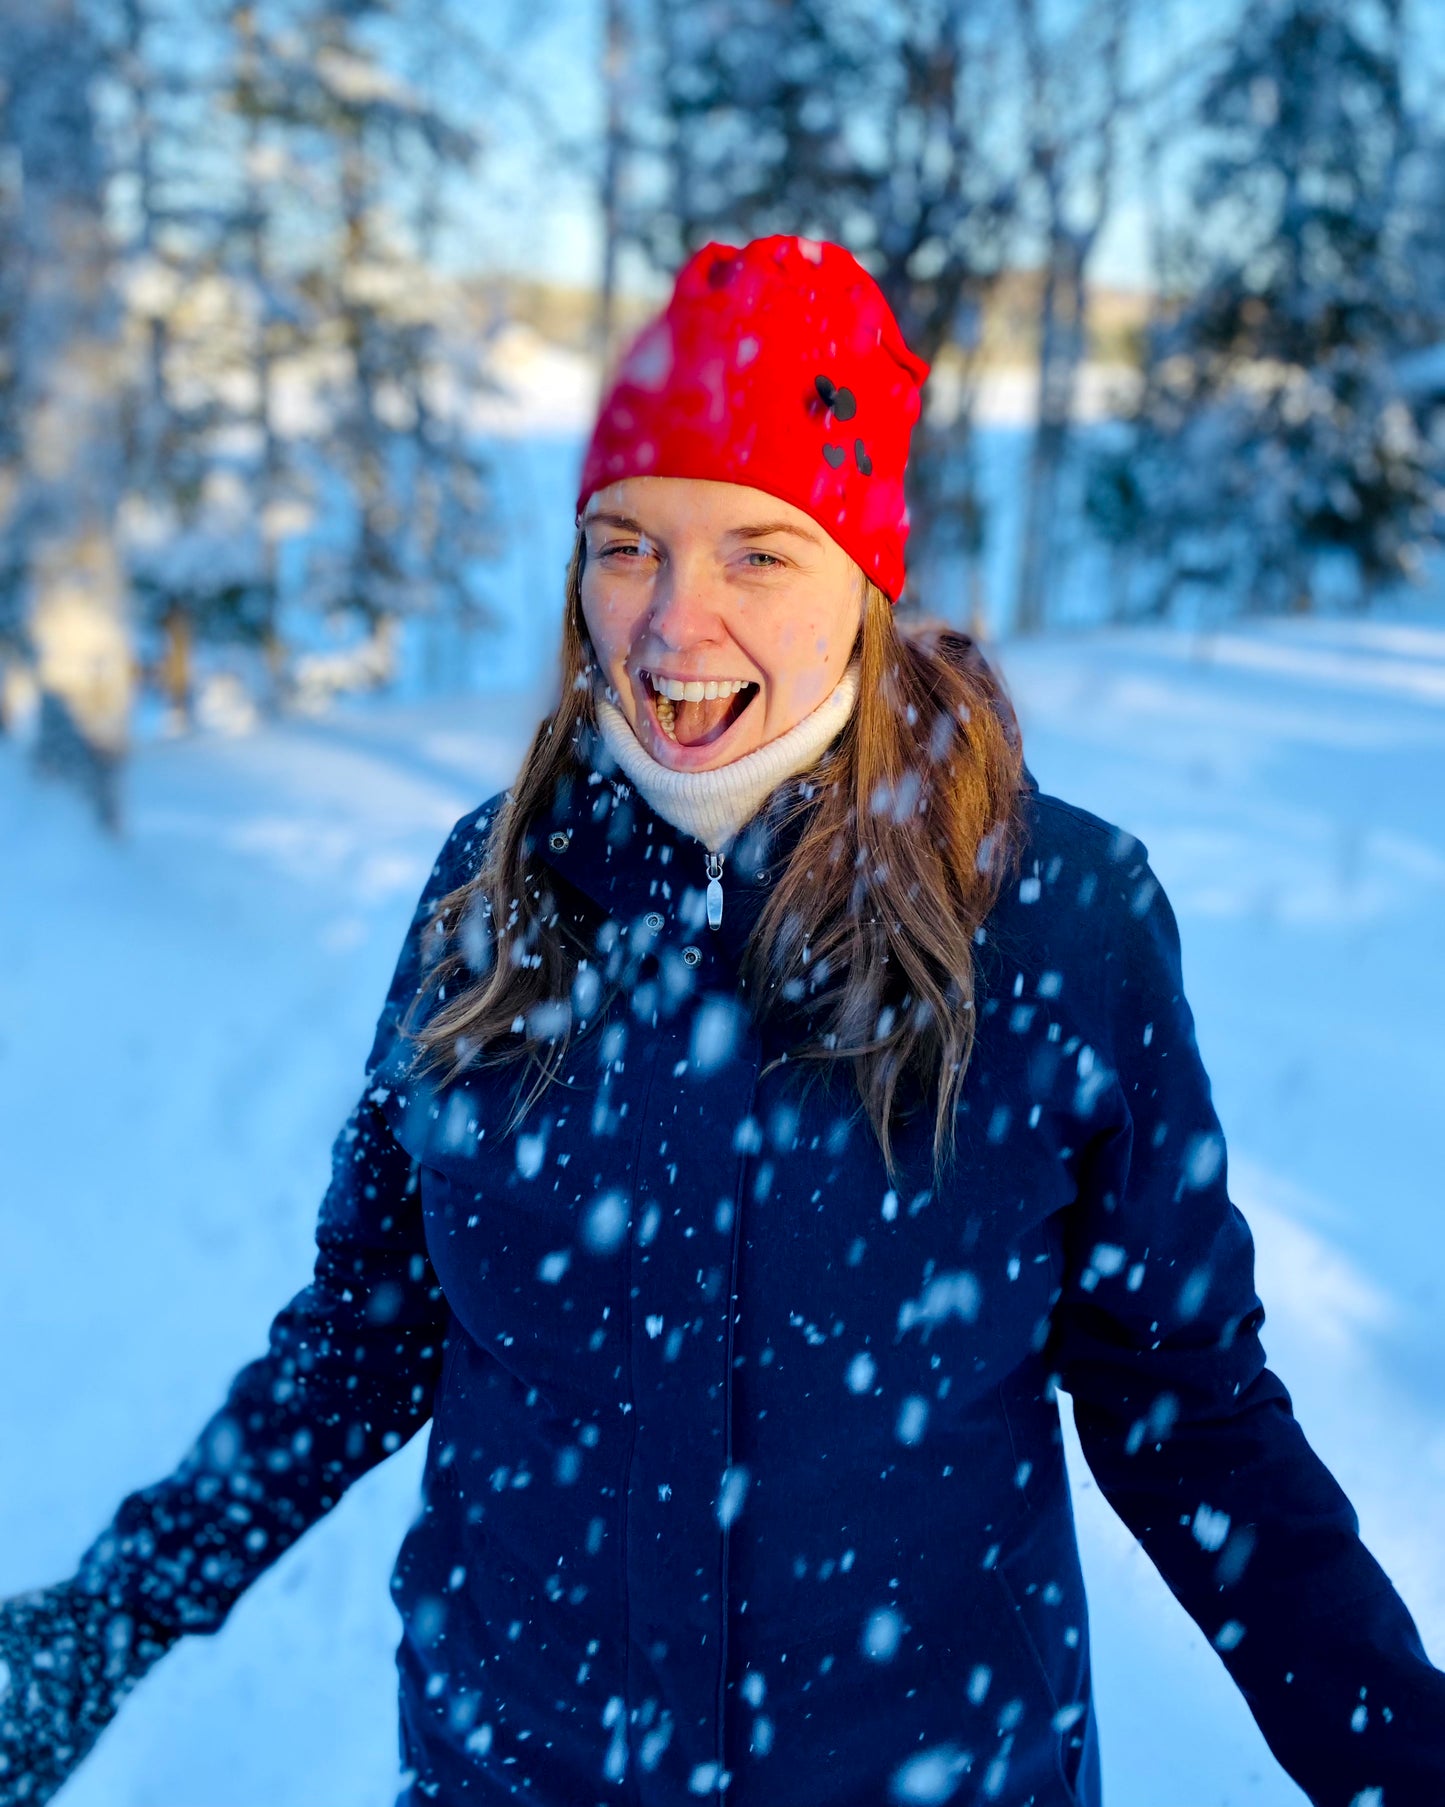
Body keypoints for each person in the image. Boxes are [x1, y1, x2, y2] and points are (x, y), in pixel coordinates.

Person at [2, 234, 1442, 1807]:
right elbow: (359, 1338)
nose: (674, 629)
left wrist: (1396, 1752)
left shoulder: (1051, 918)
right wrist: (100, 1623)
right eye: (625, 546)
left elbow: (1189, 1412)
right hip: (518, 1772)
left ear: (865, 572)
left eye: (758, 550)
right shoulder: (491, 898)